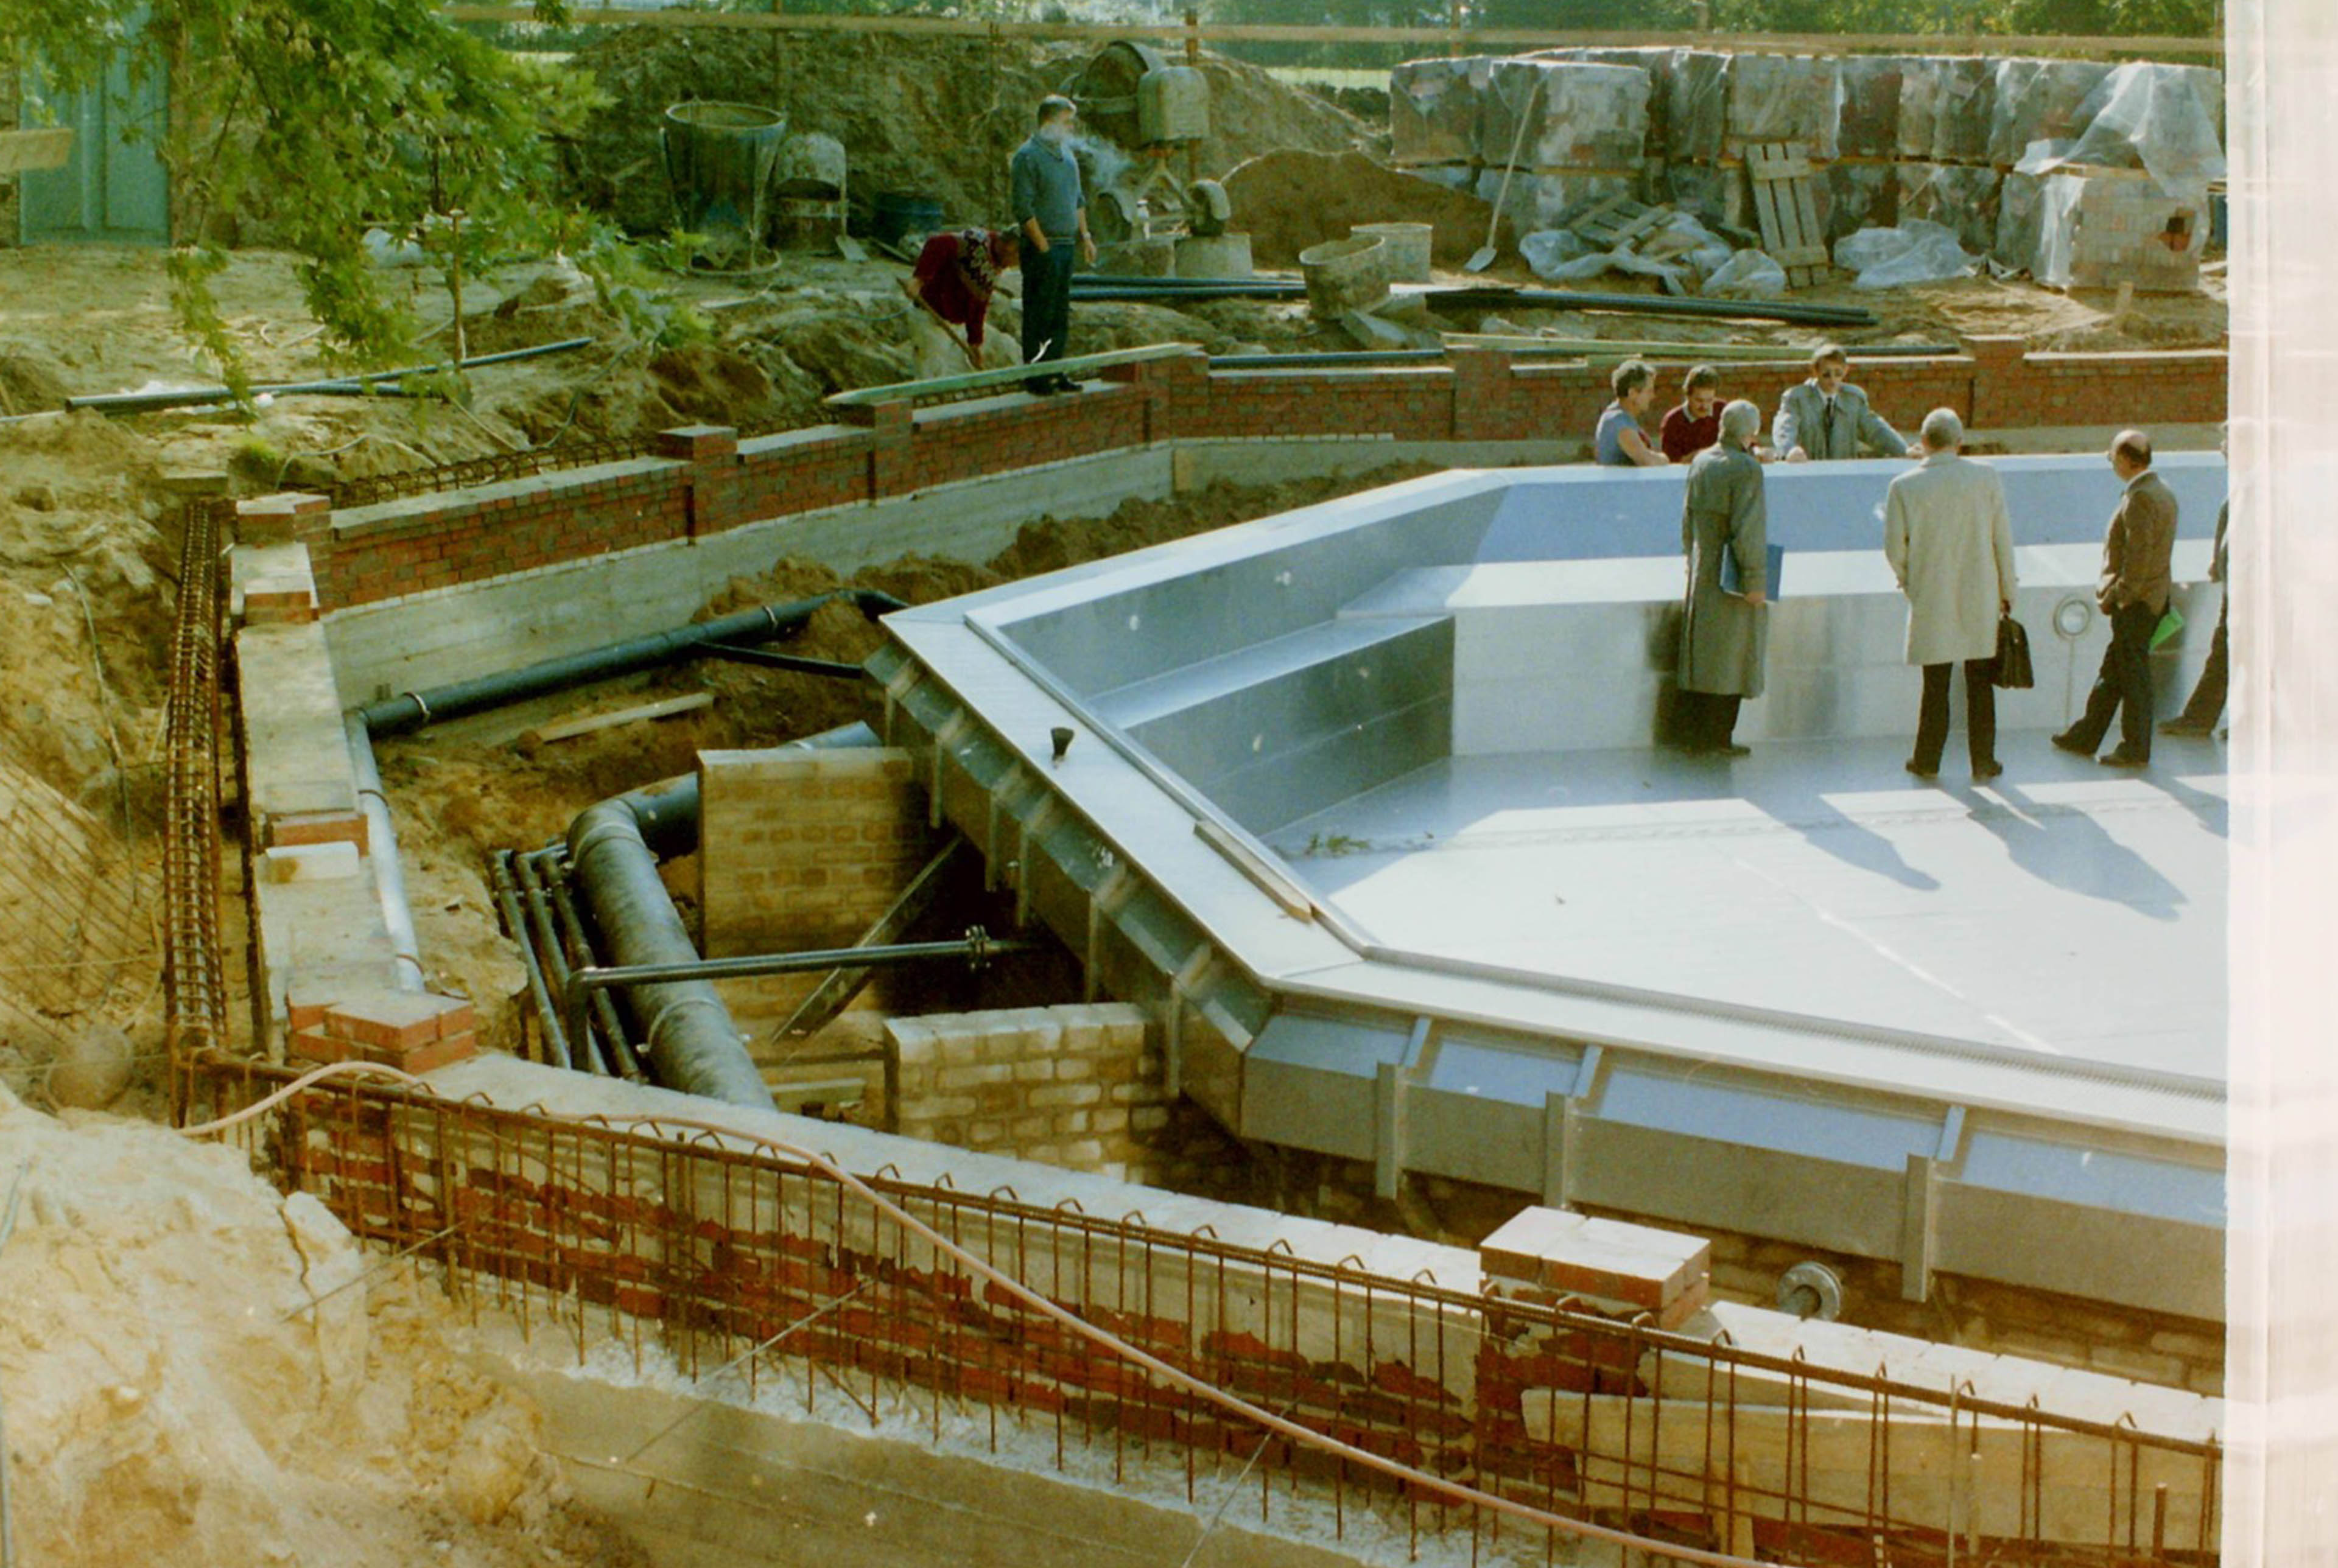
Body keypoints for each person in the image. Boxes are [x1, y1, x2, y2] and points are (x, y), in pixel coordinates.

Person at [1883, 408, 2017, 782]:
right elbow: (2002, 539)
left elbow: (1895, 549)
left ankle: (1927, 759)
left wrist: (1912, 582)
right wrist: (2008, 590)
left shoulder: (1904, 486)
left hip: (1932, 593)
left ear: (1923, 443)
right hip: (1981, 592)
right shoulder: (1986, 478)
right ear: (1960, 443)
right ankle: (1983, 761)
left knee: (1936, 685)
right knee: (1980, 683)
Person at [2053, 429, 2178, 767]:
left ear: (2125, 459)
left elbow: (2138, 558)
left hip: (2136, 603)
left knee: (2133, 677)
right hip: (2152, 599)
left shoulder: (2140, 499)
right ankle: (2085, 736)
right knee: (2115, 672)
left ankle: (2135, 748)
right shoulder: (2162, 491)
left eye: (2112, 457)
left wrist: (2119, 597)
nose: (2111, 463)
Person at [1674, 399, 1769, 756]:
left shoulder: (1701, 462)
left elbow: (1687, 521)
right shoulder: (1746, 469)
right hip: (1732, 575)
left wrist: (1691, 558)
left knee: (1704, 654)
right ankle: (1719, 738)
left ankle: (1696, 736)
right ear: (1750, 432)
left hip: (1703, 568)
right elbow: (1749, 530)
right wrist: (1755, 580)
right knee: (1733, 655)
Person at [1008, 95, 1097, 396]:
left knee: (1059, 313)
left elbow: (1078, 200)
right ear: (1048, 122)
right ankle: (1036, 376)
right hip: (1041, 248)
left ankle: (1055, 370)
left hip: (1066, 245)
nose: (1071, 128)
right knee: (1039, 313)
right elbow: (1023, 208)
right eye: (1067, 122)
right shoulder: (1028, 157)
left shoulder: (1067, 156)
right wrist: (1042, 246)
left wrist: (1085, 237)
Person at [2161, 427, 2230, 738]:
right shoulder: (2240, 486)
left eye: (2228, 442)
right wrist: (2218, 561)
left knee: (2228, 653)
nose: (2222, 448)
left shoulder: (2259, 484)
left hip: (2248, 589)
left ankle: (2202, 718)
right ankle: (2202, 718)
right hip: (2235, 586)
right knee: (2225, 652)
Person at [1773, 345, 1925, 463]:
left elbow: (1876, 430)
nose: (1833, 380)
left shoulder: (1853, 399)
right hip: (1808, 471)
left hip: (1843, 473)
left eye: (1838, 374)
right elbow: (1785, 427)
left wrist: (1904, 450)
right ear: (1815, 371)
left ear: (1846, 371)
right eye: (1826, 374)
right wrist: (1789, 450)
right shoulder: (1797, 398)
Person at [904, 228, 1021, 370]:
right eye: (1018, 258)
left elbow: (979, 303)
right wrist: (919, 279)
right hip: (930, 318)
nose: (1015, 265)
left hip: (953, 325)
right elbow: (937, 243)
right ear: (1010, 247)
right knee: (930, 372)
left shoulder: (996, 265)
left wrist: (975, 343)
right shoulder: (975, 241)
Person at [1594, 360, 1668, 466]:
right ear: (1632, 393)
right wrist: (1664, 458)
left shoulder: (1620, 418)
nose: (1653, 396)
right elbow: (1648, 461)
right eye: (1649, 391)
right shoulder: (1619, 423)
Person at [1659, 364, 1724, 463]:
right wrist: (1700, 456)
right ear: (1688, 396)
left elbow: (1748, 442)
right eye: (1699, 400)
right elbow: (1670, 463)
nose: (1705, 407)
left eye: (1710, 400)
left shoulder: (1723, 411)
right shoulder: (1673, 421)